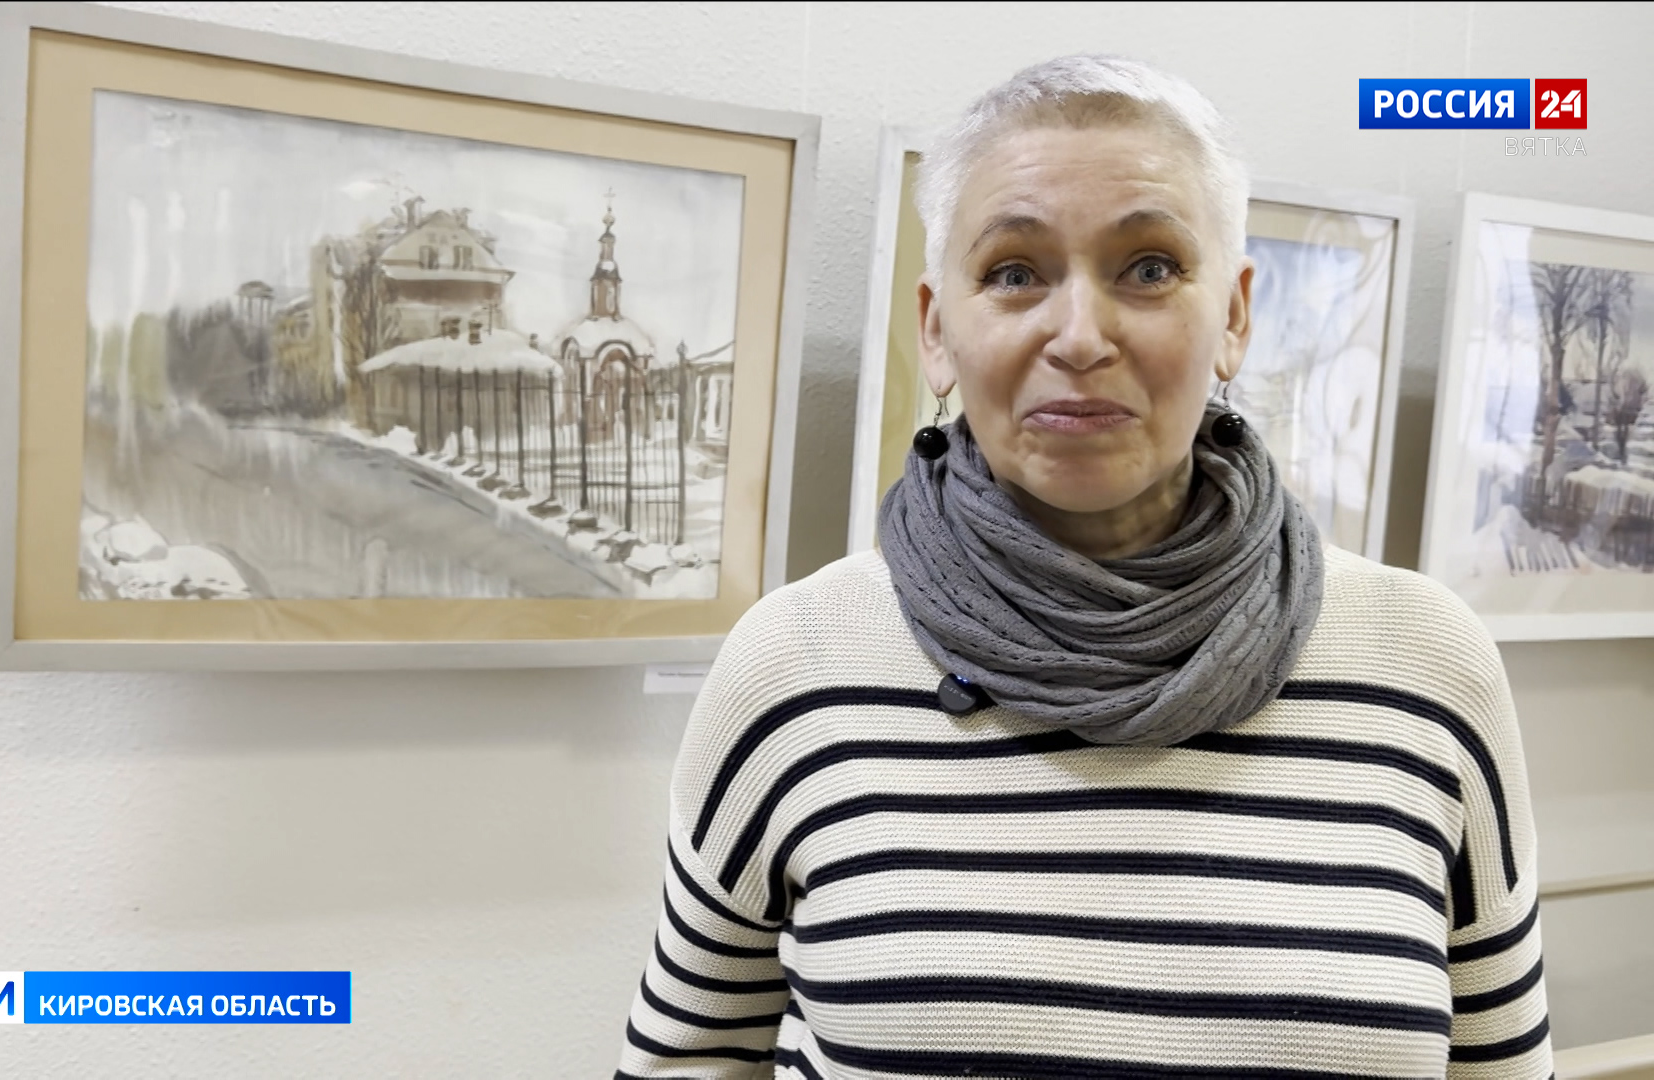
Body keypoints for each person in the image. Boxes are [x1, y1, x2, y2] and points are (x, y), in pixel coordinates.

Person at [615, 55, 1552, 1079]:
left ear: (1235, 316)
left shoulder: (1427, 663)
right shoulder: (795, 663)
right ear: (936, 329)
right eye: (1015, 272)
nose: (1079, 337)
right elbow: (689, 1057)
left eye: (1148, 268)